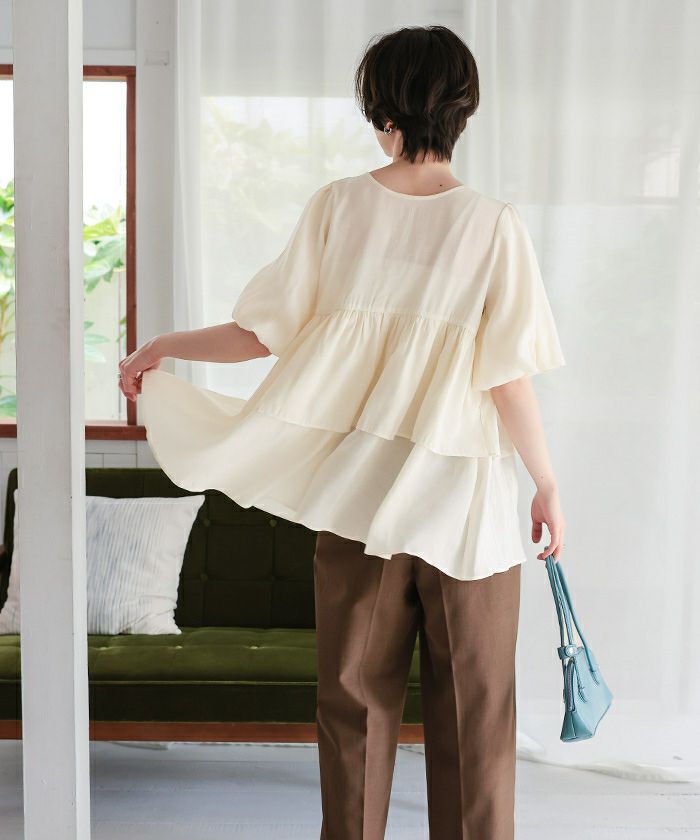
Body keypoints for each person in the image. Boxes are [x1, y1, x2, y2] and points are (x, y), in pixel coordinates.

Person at [118, 24, 566, 840]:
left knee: (354, 707)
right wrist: (546, 483)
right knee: (476, 715)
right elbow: (507, 378)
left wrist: (163, 348)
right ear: (462, 107)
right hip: (464, 510)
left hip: (359, 503)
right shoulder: (493, 225)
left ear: (382, 107)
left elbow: (260, 334)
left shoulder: (339, 206)